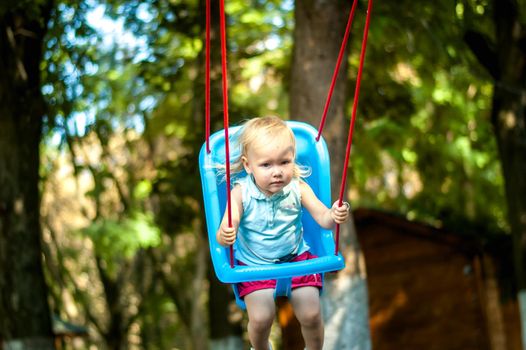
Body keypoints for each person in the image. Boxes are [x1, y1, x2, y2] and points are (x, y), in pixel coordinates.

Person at [216, 116, 350, 350]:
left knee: (311, 315)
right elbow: (229, 223)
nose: (277, 172)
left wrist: (334, 215)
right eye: (266, 165)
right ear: (248, 165)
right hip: (254, 264)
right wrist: (226, 233)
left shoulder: (298, 187)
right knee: (261, 319)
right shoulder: (240, 193)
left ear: (293, 160)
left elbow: (323, 219)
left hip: (297, 258)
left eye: (284, 162)